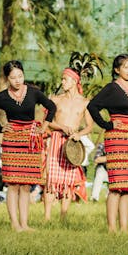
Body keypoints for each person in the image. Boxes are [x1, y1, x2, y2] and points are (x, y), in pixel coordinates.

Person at [0, 60, 56, 232]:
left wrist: (43, 128)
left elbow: (51, 107)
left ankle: (25, 224)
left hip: (30, 140)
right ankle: (15, 224)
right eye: (13, 77)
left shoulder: (33, 92)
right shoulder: (2, 96)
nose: (17, 80)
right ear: (7, 79)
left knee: (25, 184)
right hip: (11, 141)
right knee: (13, 184)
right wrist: (1, 127)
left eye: (20, 76)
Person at [87, 54, 128, 233]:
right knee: (116, 185)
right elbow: (92, 106)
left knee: (127, 186)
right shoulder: (111, 88)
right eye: (126, 67)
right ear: (117, 70)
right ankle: (112, 228)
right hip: (117, 138)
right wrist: (107, 124)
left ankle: (124, 228)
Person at [44, 68, 93, 221]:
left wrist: (79, 134)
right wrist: (61, 127)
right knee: (51, 179)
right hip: (57, 140)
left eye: (65, 79)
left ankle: (63, 218)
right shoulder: (56, 100)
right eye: (62, 79)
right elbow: (48, 123)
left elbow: (90, 126)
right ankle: (47, 218)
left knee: (68, 182)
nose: (62, 82)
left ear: (74, 81)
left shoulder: (85, 102)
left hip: (73, 144)